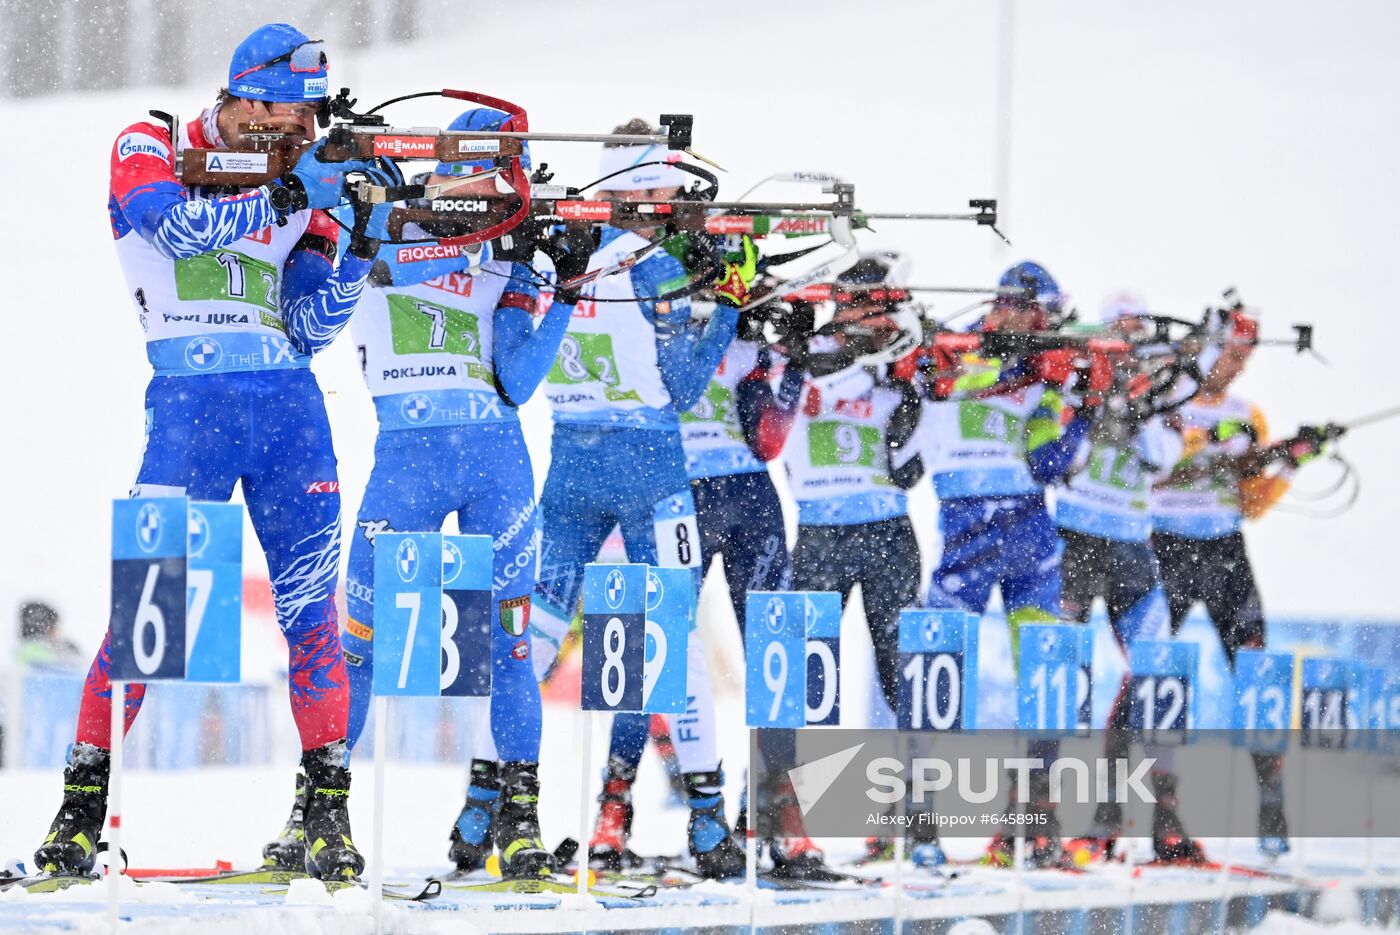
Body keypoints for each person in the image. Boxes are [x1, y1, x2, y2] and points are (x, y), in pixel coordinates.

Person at [35, 24, 388, 881]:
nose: (299, 131)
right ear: (245, 97)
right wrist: (284, 195)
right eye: (285, 115)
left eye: (310, 119)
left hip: (291, 416)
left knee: (313, 624)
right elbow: (170, 228)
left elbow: (310, 326)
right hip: (189, 415)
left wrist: (358, 240)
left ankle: (326, 817)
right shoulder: (149, 142)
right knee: (144, 622)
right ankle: (80, 815)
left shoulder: (304, 175)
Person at [272, 107, 585, 879]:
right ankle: (318, 809)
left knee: (509, 648)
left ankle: (519, 817)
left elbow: (515, 378)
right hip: (405, 460)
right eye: (475, 168)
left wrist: (565, 288)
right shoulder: (383, 214)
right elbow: (355, 248)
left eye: (500, 174)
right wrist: (350, 173)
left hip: (495, 460)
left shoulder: (506, 250)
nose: (484, 185)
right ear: (443, 165)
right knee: (358, 646)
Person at [525, 120, 752, 878]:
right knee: (673, 639)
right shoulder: (653, 267)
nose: (672, 202)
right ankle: (711, 822)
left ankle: (495, 810)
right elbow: (686, 387)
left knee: (537, 635)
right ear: (631, 189)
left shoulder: (555, 251)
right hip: (652, 474)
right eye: (662, 190)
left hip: (569, 466)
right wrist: (727, 305)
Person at [753, 255, 936, 862]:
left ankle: (914, 826)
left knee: (904, 675)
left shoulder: (896, 360)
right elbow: (769, 431)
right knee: (801, 682)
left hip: (886, 531)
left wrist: (914, 388)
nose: (876, 318)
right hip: (820, 533)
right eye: (866, 304)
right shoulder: (803, 351)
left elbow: (908, 468)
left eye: (885, 307)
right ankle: (780, 817)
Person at [917, 261, 1094, 868]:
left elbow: (1050, 462)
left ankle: (1032, 824)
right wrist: (1019, 366)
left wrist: (1078, 398)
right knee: (938, 673)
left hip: (1026, 526)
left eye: (1046, 317)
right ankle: (915, 825)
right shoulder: (952, 344)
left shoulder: (1043, 366)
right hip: (967, 527)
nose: (1040, 324)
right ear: (1008, 304)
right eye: (1035, 312)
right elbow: (936, 384)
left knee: (1045, 673)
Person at [1150, 298, 1328, 858]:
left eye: (1246, 356)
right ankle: (1161, 812)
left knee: (1257, 669)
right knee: (1156, 675)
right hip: (1166, 546)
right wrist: (1209, 446)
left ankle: (1272, 806)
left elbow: (1250, 503)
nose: (1238, 365)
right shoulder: (1163, 397)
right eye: (1231, 353)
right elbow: (1154, 470)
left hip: (1224, 548)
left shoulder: (1248, 413)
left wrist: (1288, 462)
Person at [1049, 294, 1198, 864]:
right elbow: (1063, 453)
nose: (1129, 349)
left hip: (1131, 545)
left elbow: (1162, 458)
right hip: (1075, 538)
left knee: (1156, 675)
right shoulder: (1079, 376)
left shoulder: (1160, 390)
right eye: (1121, 336)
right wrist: (1099, 399)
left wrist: (1137, 407)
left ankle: (1144, 818)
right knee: (1057, 673)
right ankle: (1038, 819)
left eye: (1137, 338)